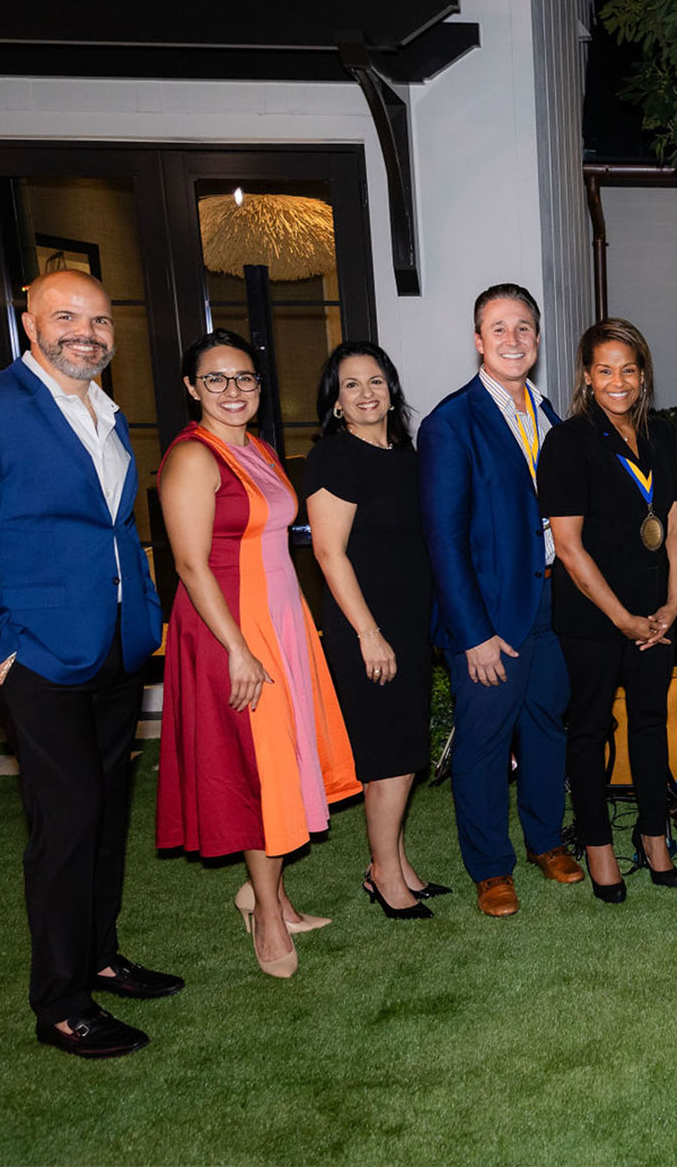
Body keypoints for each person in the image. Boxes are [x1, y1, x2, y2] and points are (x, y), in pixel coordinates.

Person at [0, 269, 177, 1058]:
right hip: (33, 654)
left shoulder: (106, 411)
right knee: (66, 820)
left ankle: (99, 953)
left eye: (99, 320)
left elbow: (111, 530)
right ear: (30, 324)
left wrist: (144, 617)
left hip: (115, 646)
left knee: (105, 810)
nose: (85, 333)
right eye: (66, 317)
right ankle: (61, 1001)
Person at [156, 329, 360, 978]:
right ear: (191, 388)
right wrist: (238, 649)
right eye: (215, 378)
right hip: (231, 629)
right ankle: (267, 914)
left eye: (244, 377)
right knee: (259, 769)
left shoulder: (259, 449)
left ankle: (271, 896)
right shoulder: (193, 458)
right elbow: (190, 564)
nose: (232, 390)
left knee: (283, 760)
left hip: (280, 621)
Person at [420, 284, 583, 917]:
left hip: (553, 603)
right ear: (478, 341)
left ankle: (546, 841)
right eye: (498, 328)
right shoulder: (450, 422)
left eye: (523, 328)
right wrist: (472, 633)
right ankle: (490, 868)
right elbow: (443, 540)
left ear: (537, 339)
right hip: (489, 617)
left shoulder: (548, 415)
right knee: (485, 742)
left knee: (546, 727)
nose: (512, 340)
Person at [538, 318, 677, 903]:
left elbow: (674, 523)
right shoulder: (568, 441)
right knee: (590, 729)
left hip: (655, 613)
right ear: (587, 376)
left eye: (628, 369)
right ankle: (598, 845)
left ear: (643, 374)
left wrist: (673, 602)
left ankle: (653, 835)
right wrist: (622, 619)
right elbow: (569, 548)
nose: (617, 381)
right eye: (605, 370)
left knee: (651, 723)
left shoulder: (662, 435)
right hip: (592, 619)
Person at [305, 341, 444, 920]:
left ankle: (395, 862)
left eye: (376, 381)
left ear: (391, 390)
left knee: (405, 750)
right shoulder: (334, 458)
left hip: (408, 623)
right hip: (367, 626)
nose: (366, 393)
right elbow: (329, 552)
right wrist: (368, 632)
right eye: (351, 385)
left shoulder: (406, 456)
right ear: (336, 402)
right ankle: (383, 874)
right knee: (387, 753)